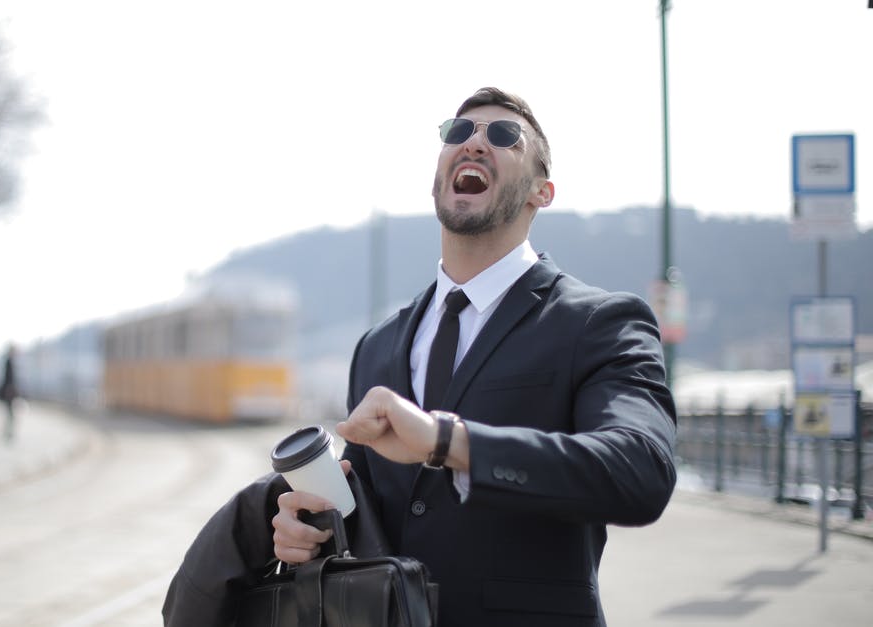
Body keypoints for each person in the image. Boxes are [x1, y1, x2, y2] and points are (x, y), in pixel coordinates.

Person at [271, 87, 677, 626]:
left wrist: (450, 442)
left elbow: (639, 473)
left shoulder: (598, 323)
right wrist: (306, 528)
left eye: (504, 136)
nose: (475, 144)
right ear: (437, 178)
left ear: (542, 191)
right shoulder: (378, 345)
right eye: (458, 133)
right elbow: (363, 509)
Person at [0, 344, 19, 442]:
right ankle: (8, 431)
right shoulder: (9, 362)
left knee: (9, 413)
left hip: (9, 391)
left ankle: (8, 431)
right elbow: (8, 379)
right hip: (9, 392)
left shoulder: (9, 362)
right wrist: (9, 390)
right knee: (9, 413)